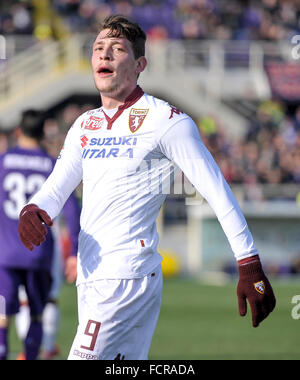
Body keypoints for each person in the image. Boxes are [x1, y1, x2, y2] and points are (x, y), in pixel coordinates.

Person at [18, 15, 276, 360]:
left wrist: (249, 264)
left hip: (127, 276)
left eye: (117, 49)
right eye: (98, 48)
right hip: (92, 276)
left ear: (140, 64)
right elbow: (55, 188)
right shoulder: (84, 125)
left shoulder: (166, 121)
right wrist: (33, 210)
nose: (104, 55)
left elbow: (217, 191)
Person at [0, 109, 79, 360]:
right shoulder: (51, 164)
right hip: (38, 252)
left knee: (2, 313)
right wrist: (74, 251)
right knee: (36, 313)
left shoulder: (3, 161)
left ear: (19, 131)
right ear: (43, 133)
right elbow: (72, 210)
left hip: (4, 253)